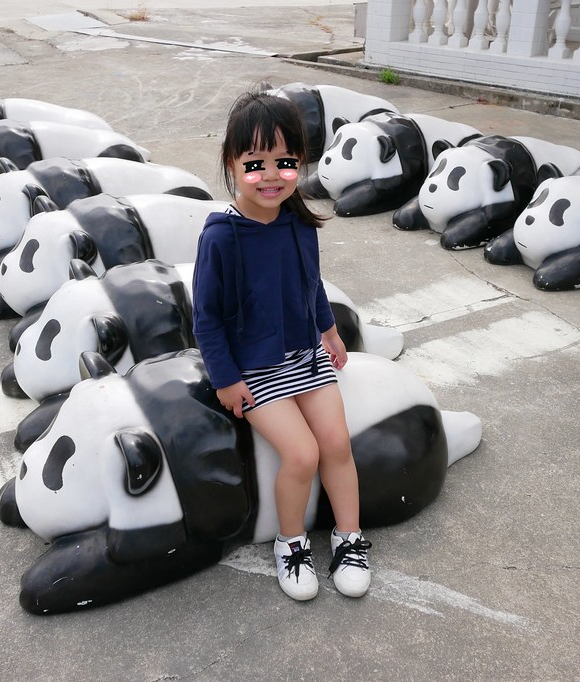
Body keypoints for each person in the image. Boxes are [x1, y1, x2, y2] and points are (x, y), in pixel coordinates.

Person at [191, 90, 372, 601]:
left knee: (337, 444)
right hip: (254, 368)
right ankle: (290, 543)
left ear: (300, 162)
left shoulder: (299, 223)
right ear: (232, 164)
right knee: (302, 454)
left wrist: (329, 332)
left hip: (305, 357)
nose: (271, 175)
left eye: (285, 162)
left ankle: (349, 536)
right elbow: (205, 318)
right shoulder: (221, 236)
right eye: (255, 163)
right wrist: (226, 380)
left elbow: (311, 285)